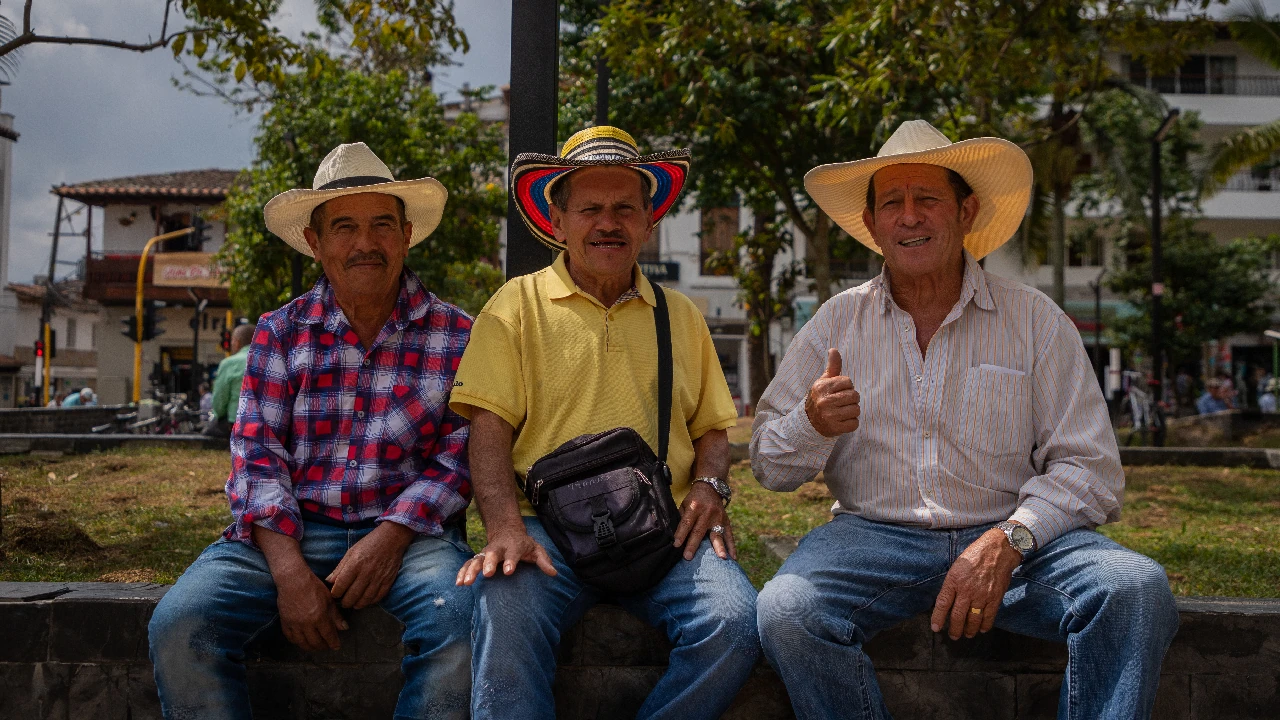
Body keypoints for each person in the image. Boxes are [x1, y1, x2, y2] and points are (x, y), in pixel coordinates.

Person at [751, 120, 1179, 720]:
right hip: (871, 539)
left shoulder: (1035, 320)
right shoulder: (834, 322)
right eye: (891, 203)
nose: (909, 217)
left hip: (1015, 540)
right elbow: (769, 465)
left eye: (927, 199)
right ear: (871, 225)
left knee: (1134, 590)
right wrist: (811, 422)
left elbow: (1091, 467)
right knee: (786, 610)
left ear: (966, 211)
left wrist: (1009, 539)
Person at [148, 142, 475, 720]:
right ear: (314, 242)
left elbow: (460, 455)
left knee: (465, 622)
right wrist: (289, 572)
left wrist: (391, 536)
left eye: (381, 225)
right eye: (344, 226)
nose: (365, 243)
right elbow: (257, 455)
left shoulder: (458, 334)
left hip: (413, 538)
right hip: (289, 532)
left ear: (405, 235)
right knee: (180, 625)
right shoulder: (281, 331)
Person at [452, 126, 760, 720]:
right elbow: (487, 430)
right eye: (589, 208)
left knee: (735, 621)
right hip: (548, 531)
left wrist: (708, 488)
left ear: (649, 220)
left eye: (625, 208)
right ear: (558, 220)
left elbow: (713, 429)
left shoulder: (682, 315)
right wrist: (503, 529)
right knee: (504, 609)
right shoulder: (513, 306)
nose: (608, 223)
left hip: (661, 529)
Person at [202, 324, 254, 439]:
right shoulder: (273, 360)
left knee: (208, 432)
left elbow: (219, 400)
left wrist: (219, 415)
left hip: (237, 424)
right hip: (269, 426)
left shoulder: (229, 363)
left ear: (237, 342)